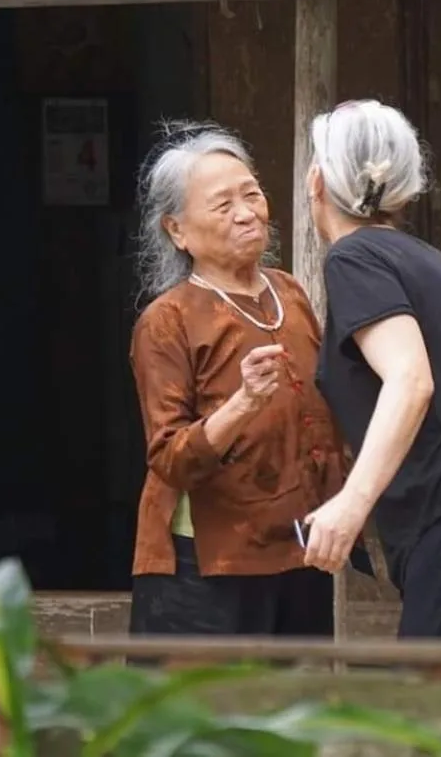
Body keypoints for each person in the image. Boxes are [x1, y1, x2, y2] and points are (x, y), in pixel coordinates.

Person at [300, 99, 441, 639]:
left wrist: (351, 504)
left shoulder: (352, 258)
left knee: (438, 707)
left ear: (316, 181)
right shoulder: (426, 259)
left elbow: (411, 378)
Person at [127, 123, 347, 636]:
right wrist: (244, 403)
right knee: (214, 712)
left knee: (293, 710)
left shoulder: (289, 292)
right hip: (205, 565)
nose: (247, 213)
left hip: (297, 548)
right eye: (223, 205)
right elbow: (168, 458)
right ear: (177, 231)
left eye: (252, 194)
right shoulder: (167, 320)